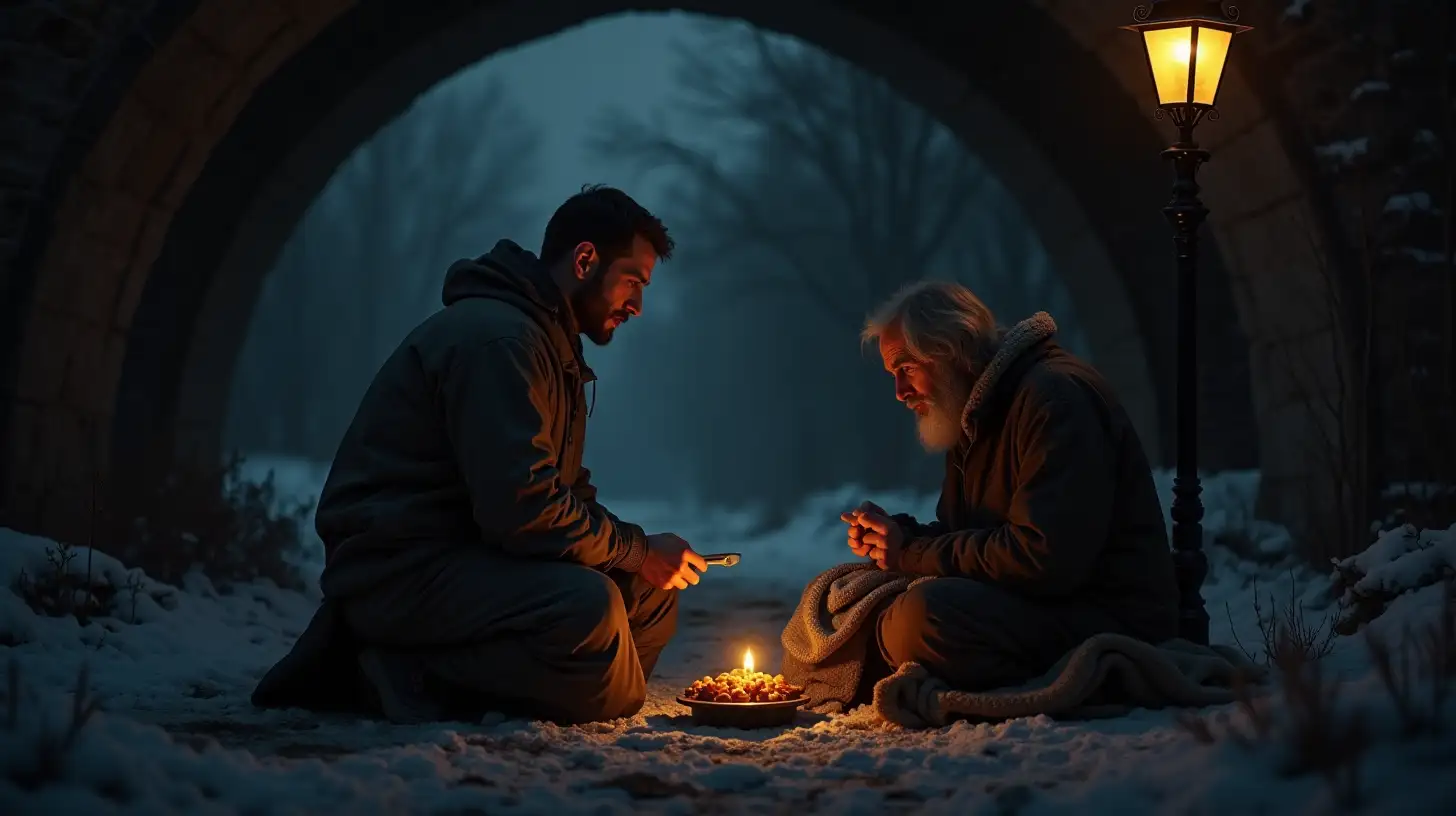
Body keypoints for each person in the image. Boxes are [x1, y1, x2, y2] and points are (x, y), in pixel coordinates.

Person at [252, 185, 707, 725]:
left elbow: (562, 493)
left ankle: (545, 682)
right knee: (592, 608)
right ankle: (390, 673)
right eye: (632, 282)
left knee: (650, 598)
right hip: (402, 567)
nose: (637, 305)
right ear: (586, 260)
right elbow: (524, 513)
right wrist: (633, 548)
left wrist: (643, 558)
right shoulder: (501, 343)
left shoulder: (551, 347)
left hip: (477, 560)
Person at [842, 280, 1179, 696]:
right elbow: (965, 535)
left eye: (907, 368)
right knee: (843, 596)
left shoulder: (1054, 397)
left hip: (1103, 612)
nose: (899, 393)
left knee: (920, 616)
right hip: (1035, 603)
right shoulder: (973, 407)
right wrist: (896, 537)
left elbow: (1044, 559)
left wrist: (910, 553)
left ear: (951, 352)